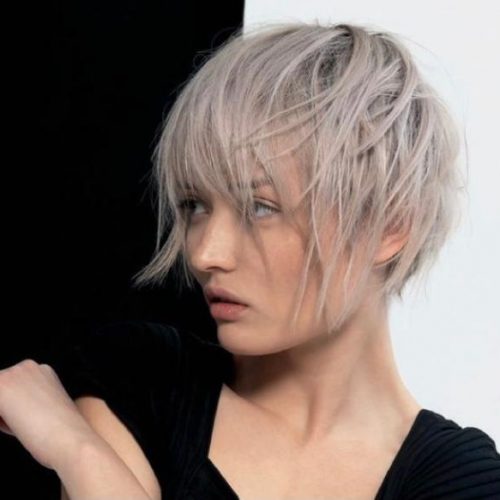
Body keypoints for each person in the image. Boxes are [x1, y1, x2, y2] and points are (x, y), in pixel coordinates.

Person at [1, 21, 499, 499]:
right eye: (195, 205)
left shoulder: (459, 477)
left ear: (389, 226)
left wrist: (76, 450)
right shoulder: (141, 377)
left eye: (260, 207)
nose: (204, 253)